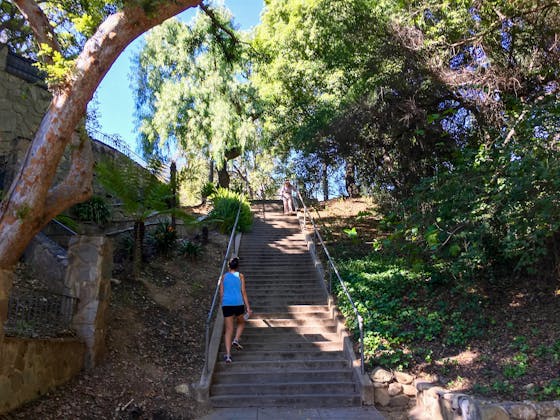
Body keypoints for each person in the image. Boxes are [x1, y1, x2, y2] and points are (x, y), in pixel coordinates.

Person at [219, 257, 252, 363]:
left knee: (229, 329)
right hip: (238, 303)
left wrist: (222, 303)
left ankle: (228, 355)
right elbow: (243, 291)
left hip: (227, 303)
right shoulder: (240, 276)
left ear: (229, 266)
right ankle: (236, 339)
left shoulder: (224, 277)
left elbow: (221, 293)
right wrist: (248, 307)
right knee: (241, 322)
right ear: (238, 266)